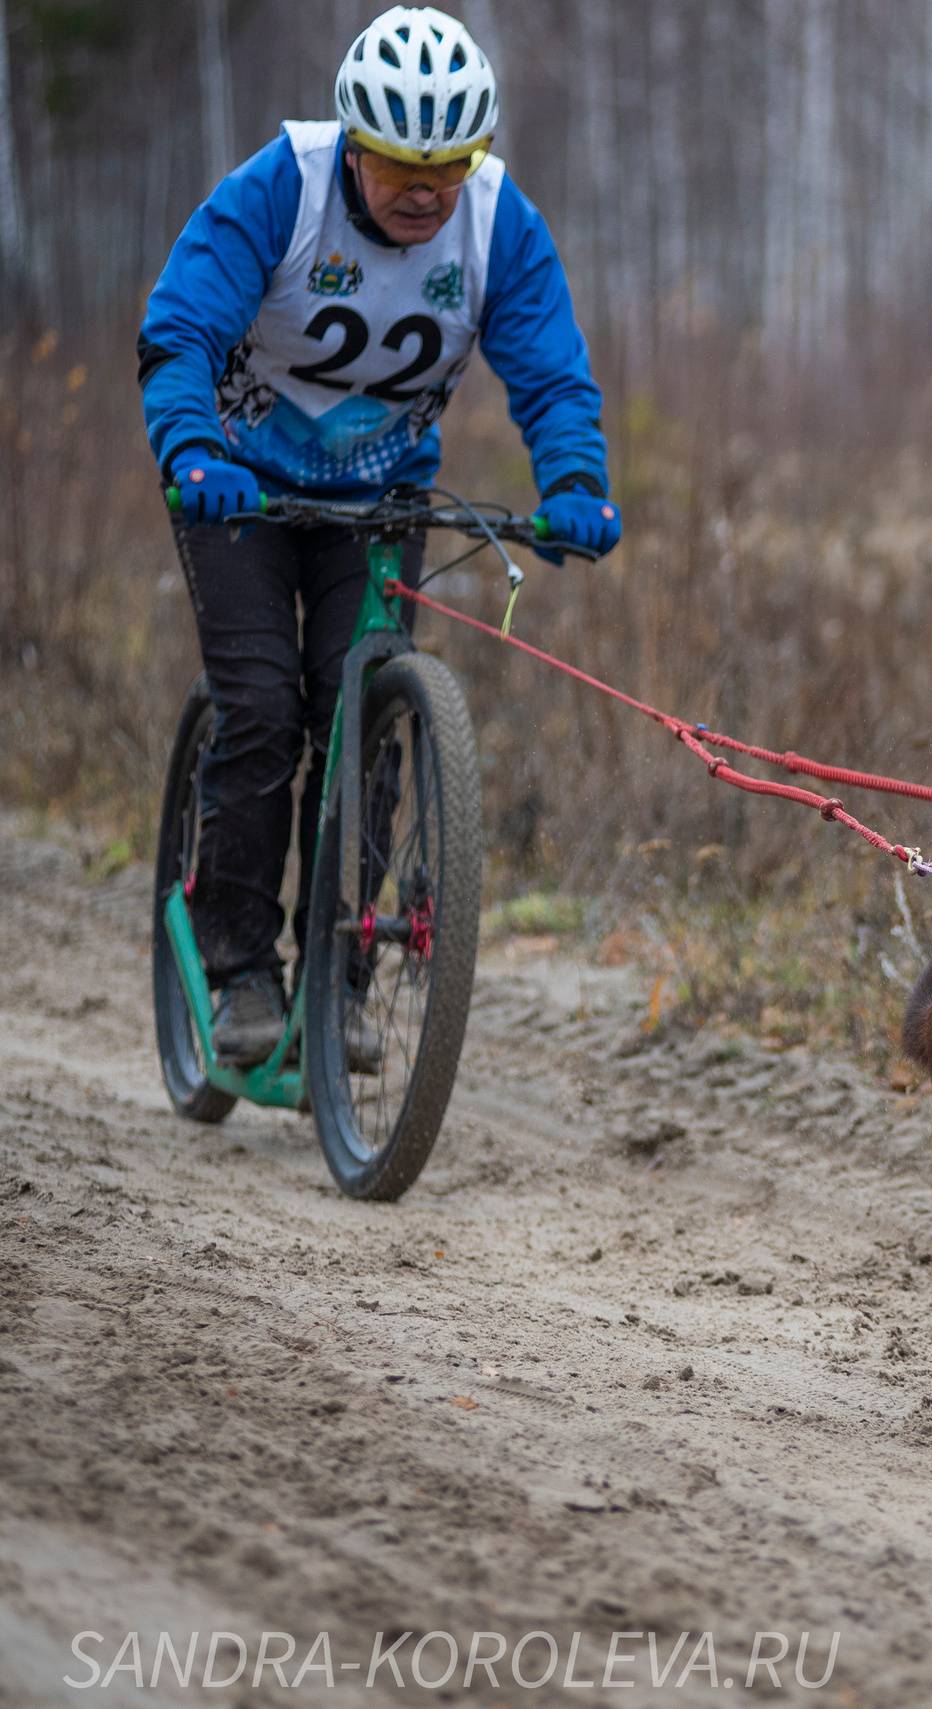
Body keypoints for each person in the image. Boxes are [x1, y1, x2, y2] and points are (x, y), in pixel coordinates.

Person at [138, 6, 619, 1067]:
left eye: (446, 168)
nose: (423, 191)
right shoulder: (284, 186)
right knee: (264, 712)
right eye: (402, 164)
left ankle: (341, 986)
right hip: (239, 491)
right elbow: (181, 330)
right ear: (356, 143)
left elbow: (548, 368)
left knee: (361, 717)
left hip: (380, 499)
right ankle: (240, 968)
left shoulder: (496, 223)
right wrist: (192, 452)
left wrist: (575, 480)